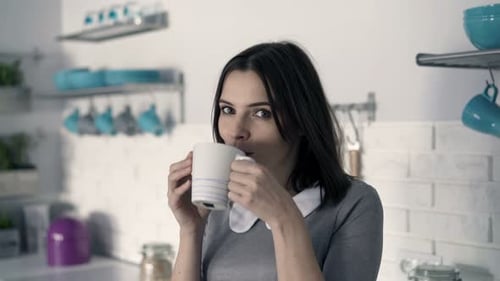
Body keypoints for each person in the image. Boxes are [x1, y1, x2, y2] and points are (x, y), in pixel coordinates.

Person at [167, 41, 383, 281]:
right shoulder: (217, 201)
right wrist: (190, 229)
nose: (236, 131)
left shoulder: (354, 204)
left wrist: (284, 218)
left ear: (301, 120)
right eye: (227, 110)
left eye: (262, 113)